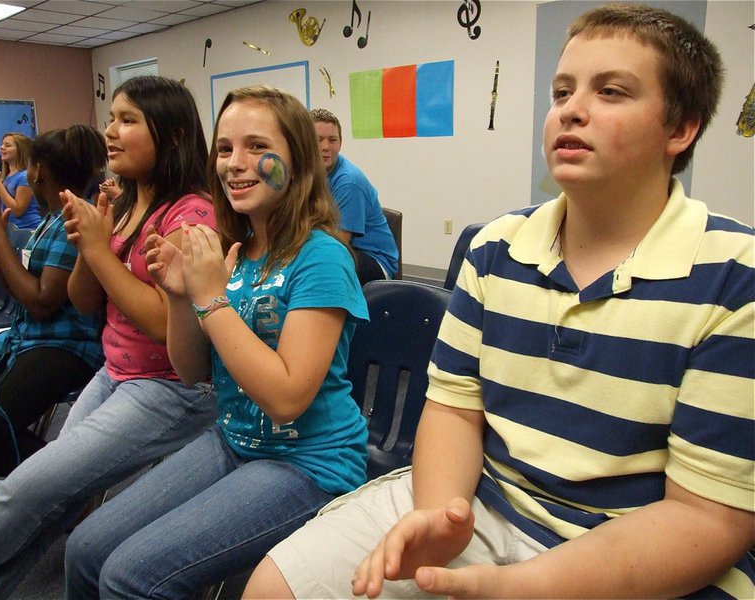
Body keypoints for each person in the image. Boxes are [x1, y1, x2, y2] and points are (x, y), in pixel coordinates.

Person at [245, 5, 755, 599]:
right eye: (561, 91)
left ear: (679, 128)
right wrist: (441, 516)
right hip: (483, 503)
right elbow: (455, 409)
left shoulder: (732, 275)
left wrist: (526, 585)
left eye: (611, 92)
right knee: (273, 587)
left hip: (634, 553)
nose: (572, 108)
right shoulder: (497, 248)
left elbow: (706, 519)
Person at [63, 85, 369, 599]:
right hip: (233, 441)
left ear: (296, 161)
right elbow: (191, 372)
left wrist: (209, 299)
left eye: (256, 147)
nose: (235, 163)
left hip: (308, 464)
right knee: (85, 550)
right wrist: (180, 296)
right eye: (225, 149)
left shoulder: (323, 258)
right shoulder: (236, 252)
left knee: (129, 577)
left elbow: (287, 398)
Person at [0, 75, 219, 599]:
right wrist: (89, 241)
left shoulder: (193, 214)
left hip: (170, 388)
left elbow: (171, 330)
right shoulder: (125, 203)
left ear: (171, 136)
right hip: (115, 370)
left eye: (127, 121)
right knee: (50, 500)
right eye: (110, 119)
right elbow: (84, 300)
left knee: (21, 493)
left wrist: (99, 250)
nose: (110, 132)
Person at [0, 125, 106, 477]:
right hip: (27, 337)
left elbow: (41, 302)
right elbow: (19, 291)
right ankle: (42, 465)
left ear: (39, 171)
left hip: (65, 348)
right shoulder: (51, 219)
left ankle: (67, 486)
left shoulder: (74, 218)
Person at [310, 108, 398, 285]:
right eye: (318, 140)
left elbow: (338, 243)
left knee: (319, 269)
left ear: (340, 143)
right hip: (338, 248)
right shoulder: (305, 173)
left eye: (332, 140)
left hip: (373, 260)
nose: (325, 147)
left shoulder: (349, 181)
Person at [0, 132, 42, 229]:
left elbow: (18, 211)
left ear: (21, 150)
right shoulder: (8, 176)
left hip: (27, 229)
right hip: (11, 229)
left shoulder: (24, 177)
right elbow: (2, 204)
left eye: (8, 145)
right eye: (2, 144)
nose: (2, 147)